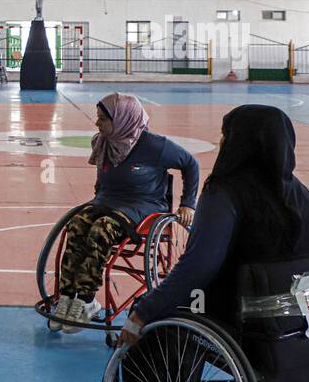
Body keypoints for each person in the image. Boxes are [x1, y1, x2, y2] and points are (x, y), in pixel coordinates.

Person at [122, 106, 309, 347]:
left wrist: (143, 312)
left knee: (152, 314)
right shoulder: (299, 193)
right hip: (306, 312)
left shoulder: (223, 194)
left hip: (247, 315)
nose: (221, 142)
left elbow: (198, 267)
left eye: (225, 135)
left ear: (239, 143)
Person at [49, 93, 199, 332]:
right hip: (108, 201)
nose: (96, 123)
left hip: (143, 207)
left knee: (101, 230)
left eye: (102, 119)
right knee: (77, 225)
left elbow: (191, 163)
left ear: (122, 120)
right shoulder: (103, 141)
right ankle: (67, 296)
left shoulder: (154, 145)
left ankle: (87, 300)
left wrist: (188, 203)